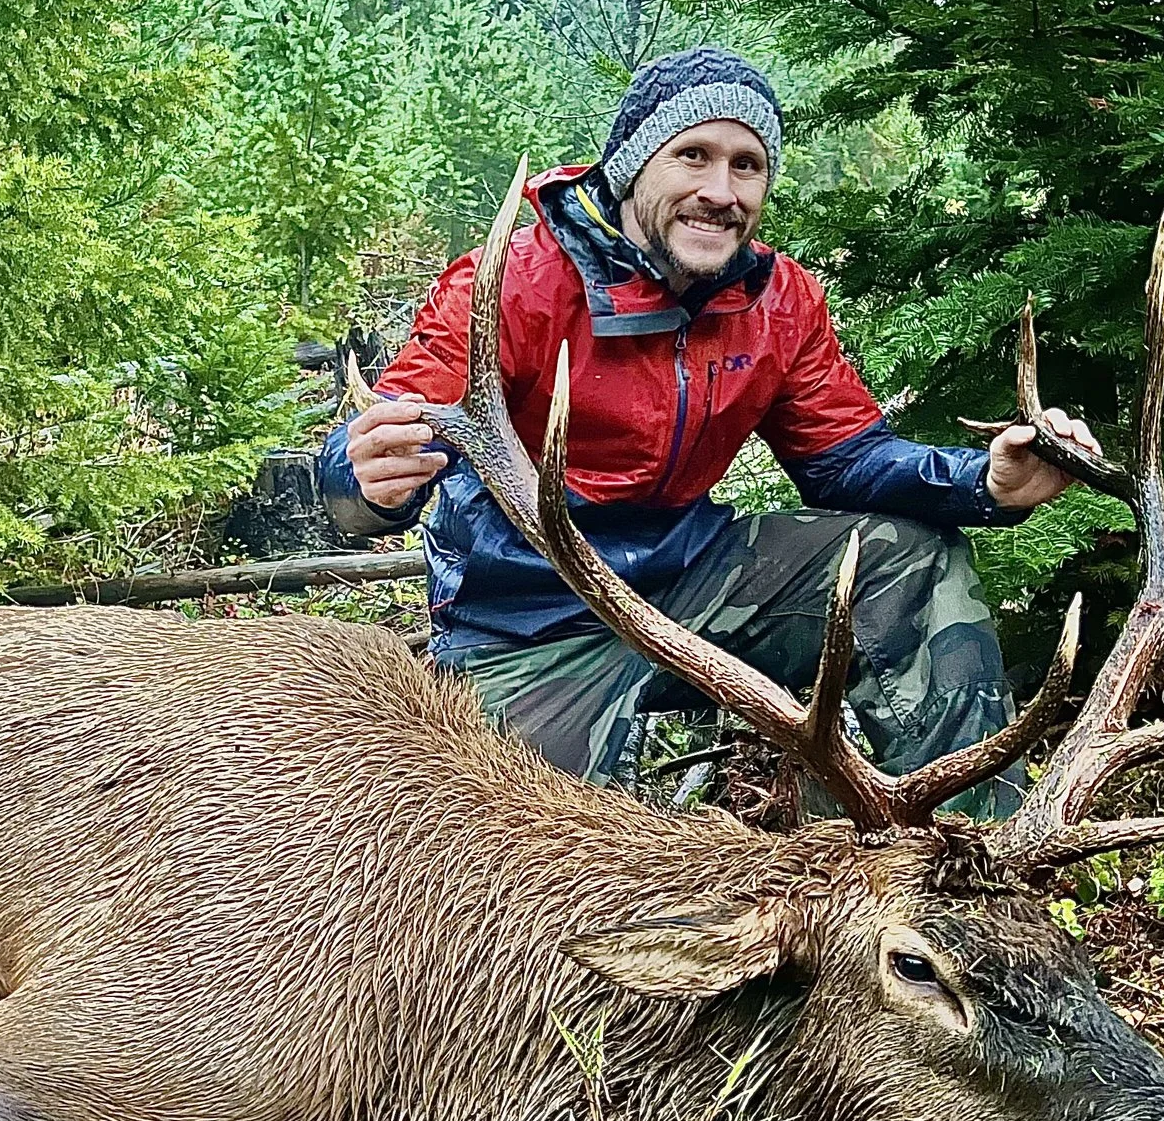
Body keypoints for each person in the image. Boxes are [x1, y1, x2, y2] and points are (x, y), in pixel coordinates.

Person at [314, 47, 1097, 811]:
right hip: (528, 621)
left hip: (692, 580)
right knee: (532, 886)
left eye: (746, 165)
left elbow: (847, 459)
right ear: (631, 166)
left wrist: (983, 482)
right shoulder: (511, 282)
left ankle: (960, 877)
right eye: (693, 156)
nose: (721, 191)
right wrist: (364, 483)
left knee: (909, 561)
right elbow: (378, 457)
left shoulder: (776, 300)